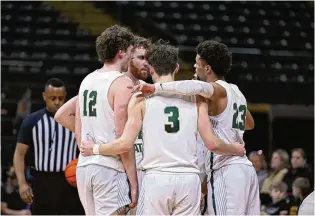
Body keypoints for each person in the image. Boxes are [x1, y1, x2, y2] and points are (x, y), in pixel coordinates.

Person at [80, 40, 245, 215]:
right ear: (177, 68)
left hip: (157, 179)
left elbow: (124, 144)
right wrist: (235, 148)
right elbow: (211, 142)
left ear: (151, 69)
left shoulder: (140, 98)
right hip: (189, 179)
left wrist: (95, 148)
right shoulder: (197, 99)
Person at [133, 40, 259, 215]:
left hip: (226, 169)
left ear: (207, 69)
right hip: (246, 171)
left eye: (197, 62)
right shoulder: (235, 91)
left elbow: (193, 86)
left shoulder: (215, 90)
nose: (193, 66)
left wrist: (155, 88)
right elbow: (249, 123)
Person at [54, 35, 151, 215]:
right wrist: (133, 182)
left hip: (86, 167)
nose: (133, 57)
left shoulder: (88, 80)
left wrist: (90, 142)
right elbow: (124, 142)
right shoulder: (122, 84)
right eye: (134, 54)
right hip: (110, 167)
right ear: (121, 52)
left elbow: (73, 122)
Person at [13, 78, 84, 215]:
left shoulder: (76, 121)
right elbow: (19, 154)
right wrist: (22, 183)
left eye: (60, 98)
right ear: (44, 97)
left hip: (69, 182)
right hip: (41, 182)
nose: (57, 102)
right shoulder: (31, 121)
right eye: (52, 98)